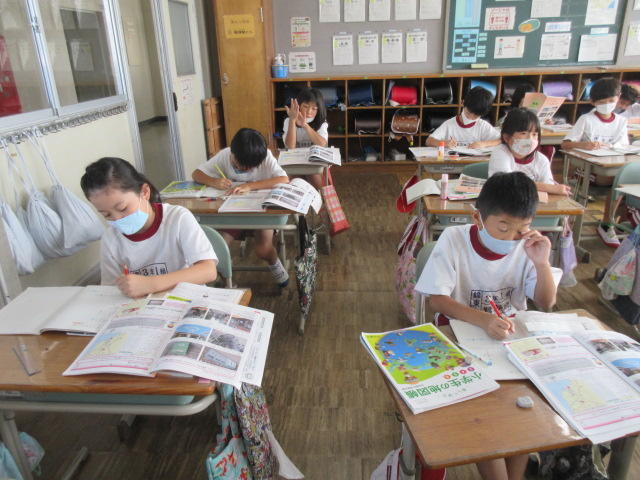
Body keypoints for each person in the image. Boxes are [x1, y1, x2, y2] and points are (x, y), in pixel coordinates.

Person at [415, 171, 559, 480]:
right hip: (456, 338)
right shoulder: (454, 240)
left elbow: (546, 301)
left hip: (509, 343)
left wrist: (542, 263)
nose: (511, 237)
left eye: (522, 228)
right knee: (487, 415)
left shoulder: (527, 247)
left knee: (524, 408)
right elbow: (437, 301)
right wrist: (484, 320)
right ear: (477, 218)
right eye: (503, 227)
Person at [81, 157, 217, 298]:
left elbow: (208, 270)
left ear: (145, 192)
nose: (117, 219)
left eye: (122, 208)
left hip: (187, 300)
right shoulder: (111, 239)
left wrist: (151, 284)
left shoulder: (178, 218)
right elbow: (109, 290)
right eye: (107, 214)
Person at [192, 128, 290, 286]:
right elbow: (196, 174)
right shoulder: (225, 155)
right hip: (233, 212)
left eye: (252, 167)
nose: (246, 170)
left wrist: (250, 185)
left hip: (260, 213)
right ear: (233, 153)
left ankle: (276, 264)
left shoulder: (265, 156)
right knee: (219, 246)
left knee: (263, 249)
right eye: (241, 165)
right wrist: (214, 181)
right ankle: (227, 281)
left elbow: (283, 179)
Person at [562, 77, 629, 247]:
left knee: (623, 179)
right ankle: (607, 224)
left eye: (611, 101)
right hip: (587, 171)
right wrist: (583, 145)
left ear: (618, 97)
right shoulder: (586, 119)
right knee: (619, 181)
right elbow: (566, 144)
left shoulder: (621, 122)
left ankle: (611, 223)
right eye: (601, 102)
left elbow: (623, 147)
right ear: (592, 102)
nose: (607, 105)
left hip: (612, 169)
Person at [489, 108, 571, 195]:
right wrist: (547, 187)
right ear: (506, 137)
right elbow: (506, 183)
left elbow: (549, 189)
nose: (530, 139)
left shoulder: (542, 160)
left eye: (534, 134)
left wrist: (551, 188)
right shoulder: (500, 152)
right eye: (523, 133)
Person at [426, 86, 501, 149]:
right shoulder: (449, 124)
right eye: (468, 113)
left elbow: (501, 140)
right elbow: (429, 141)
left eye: (475, 116)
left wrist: (484, 144)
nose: (470, 118)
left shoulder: (482, 126)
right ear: (463, 103)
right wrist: (444, 143)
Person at [283, 87, 329, 189]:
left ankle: (319, 197)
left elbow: (322, 144)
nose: (309, 112)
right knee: (295, 181)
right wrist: (292, 121)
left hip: (313, 162)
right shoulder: (288, 121)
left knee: (314, 177)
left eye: (314, 108)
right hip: (295, 160)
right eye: (305, 106)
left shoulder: (321, 122)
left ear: (319, 109)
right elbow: (290, 147)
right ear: (298, 105)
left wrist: (305, 125)